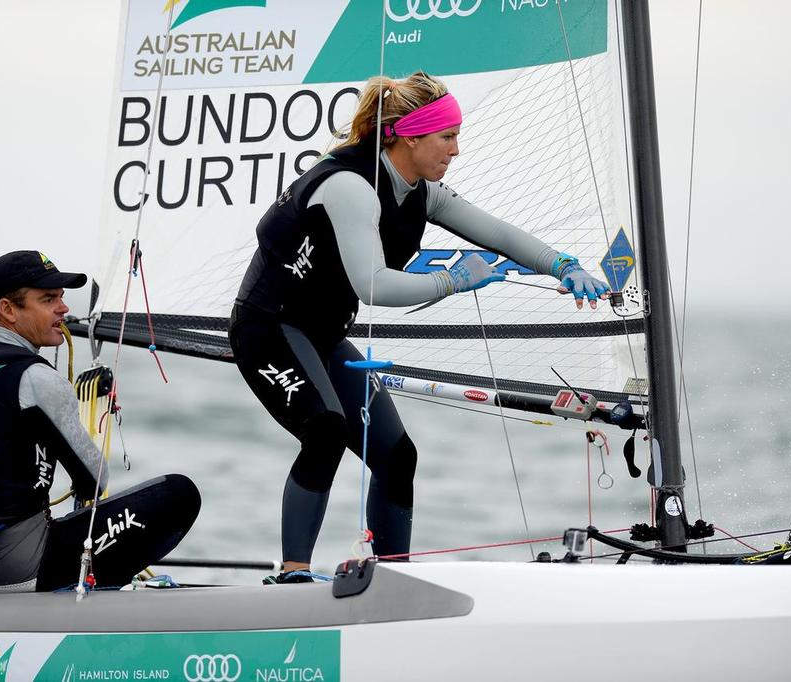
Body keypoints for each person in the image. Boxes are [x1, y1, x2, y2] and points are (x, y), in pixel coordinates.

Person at [228, 72, 609, 584]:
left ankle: (388, 577)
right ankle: (293, 573)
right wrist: (451, 281)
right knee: (325, 430)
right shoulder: (350, 187)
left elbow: (495, 232)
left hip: (320, 334)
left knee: (396, 454)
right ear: (409, 136)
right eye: (446, 136)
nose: (456, 149)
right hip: (268, 329)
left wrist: (562, 264)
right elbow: (374, 286)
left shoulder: (420, 191)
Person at [0, 250, 200, 592]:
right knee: (179, 496)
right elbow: (94, 481)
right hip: (22, 570)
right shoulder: (37, 378)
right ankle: (95, 602)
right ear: (8, 309)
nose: (63, 309)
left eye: (62, 298)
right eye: (48, 299)